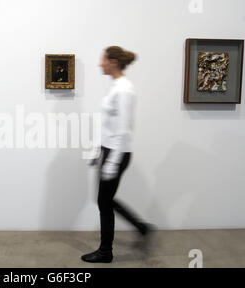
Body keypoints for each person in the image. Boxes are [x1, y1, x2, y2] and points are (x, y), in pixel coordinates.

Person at [81, 46, 154, 263]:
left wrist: (112, 161)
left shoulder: (124, 90)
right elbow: (107, 124)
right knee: (104, 200)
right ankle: (141, 227)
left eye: (102, 60)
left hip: (118, 153)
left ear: (113, 62)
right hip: (110, 150)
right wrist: (97, 149)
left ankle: (105, 252)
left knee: (104, 202)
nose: (100, 64)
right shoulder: (116, 87)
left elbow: (123, 129)